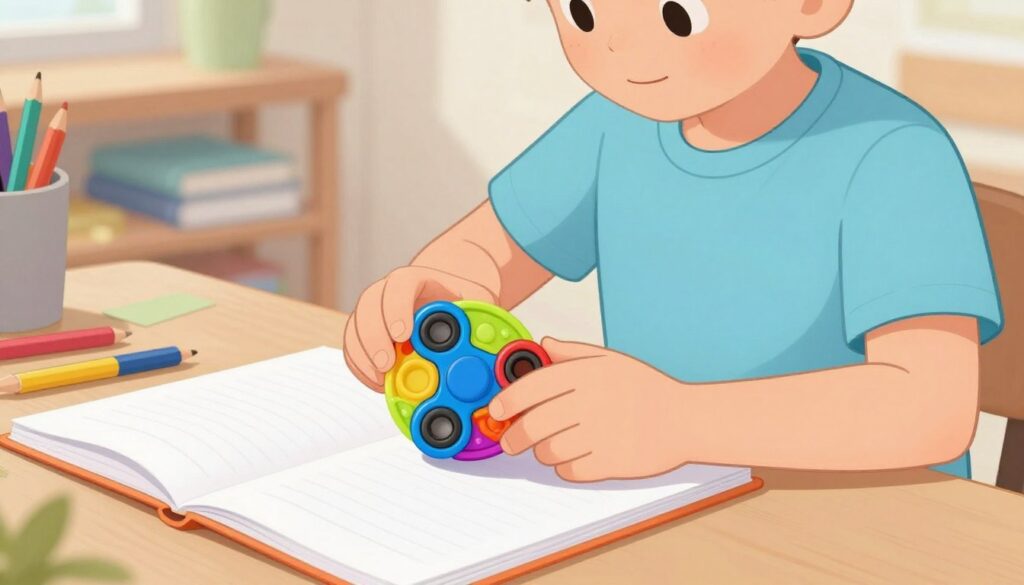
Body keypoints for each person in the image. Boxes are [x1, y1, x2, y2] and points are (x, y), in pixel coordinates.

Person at [344, 0, 1003, 482]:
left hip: (868, 524)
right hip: (675, 508)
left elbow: (929, 406)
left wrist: (680, 420)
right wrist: (427, 295)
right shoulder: (614, 126)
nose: (622, 53)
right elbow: (486, 254)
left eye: (677, 15)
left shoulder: (895, 157)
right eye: (582, 11)